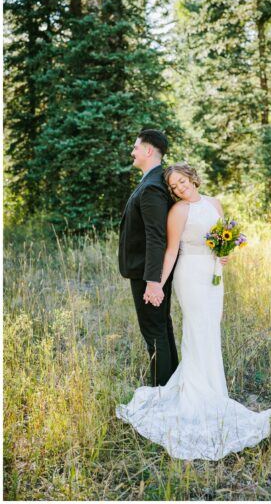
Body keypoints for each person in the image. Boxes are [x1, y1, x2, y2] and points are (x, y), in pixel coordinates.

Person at [117, 163, 271, 461]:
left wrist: (224, 253)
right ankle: (196, 391)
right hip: (189, 274)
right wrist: (157, 285)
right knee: (196, 327)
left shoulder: (214, 202)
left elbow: (225, 235)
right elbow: (171, 250)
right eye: (174, 187)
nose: (180, 189)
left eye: (182, 182)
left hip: (214, 274)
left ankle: (214, 390)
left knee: (210, 329)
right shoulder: (177, 212)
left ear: (192, 178)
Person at [118, 129, 178, 386]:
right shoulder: (150, 181)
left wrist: (154, 282)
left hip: (147, 275)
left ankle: (162, 394)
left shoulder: (153, 187)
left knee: (154, 333)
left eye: (135, 147)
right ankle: (172, 387)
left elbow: (157, 237)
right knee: (161, 330)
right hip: (146, 273)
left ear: (148, 150)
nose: (132, 152)